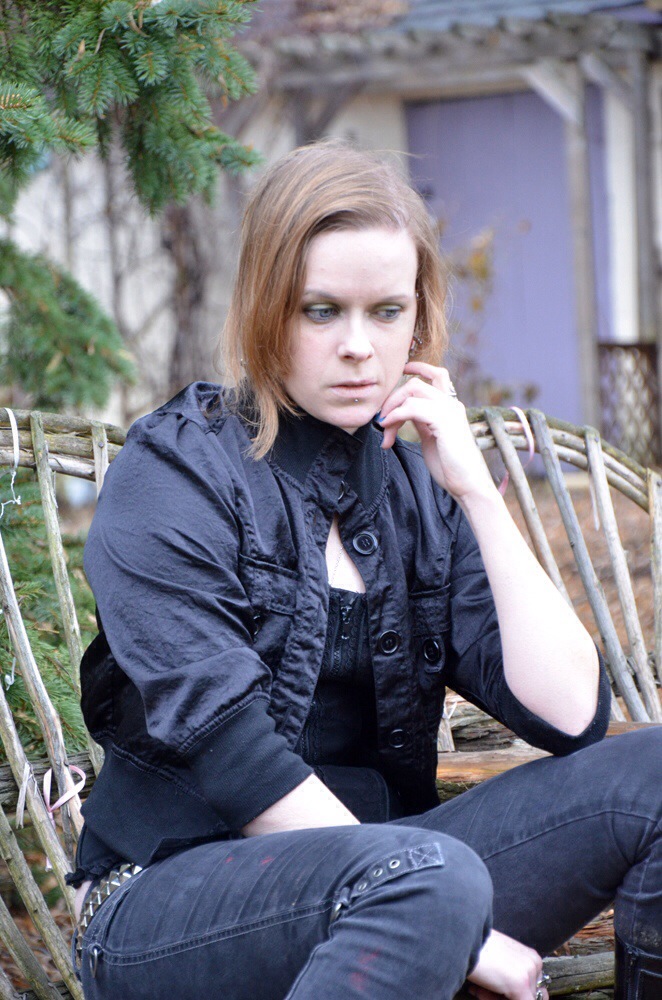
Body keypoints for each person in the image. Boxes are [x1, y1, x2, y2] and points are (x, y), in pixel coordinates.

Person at [68, 140, 662, 1000]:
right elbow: (230, 750)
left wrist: (476, 494)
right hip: (170, 904)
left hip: (413, 887)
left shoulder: (418, 491)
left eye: (386, 312)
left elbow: (571, 716)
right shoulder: (175, 474)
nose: (357, 347)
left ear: (418, 320)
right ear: (266, 308)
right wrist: (451, 917)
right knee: (426, 878)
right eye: (321, 311)